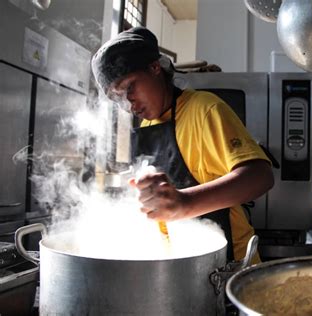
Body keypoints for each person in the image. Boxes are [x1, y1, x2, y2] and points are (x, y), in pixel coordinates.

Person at [91, 27, 274, 262]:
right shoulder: (148, 125)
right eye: (117, 97)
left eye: (129, 87)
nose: (128, 103)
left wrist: (185, 203)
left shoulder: (204, 109)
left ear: (154, 67)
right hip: (180, 264)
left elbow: (260, 176)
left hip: (227, 266)